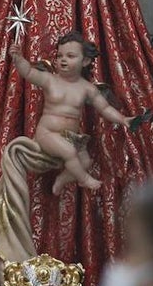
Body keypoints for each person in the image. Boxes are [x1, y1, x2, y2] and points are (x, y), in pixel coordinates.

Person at [9, 31, 131, 194]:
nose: (63, 60)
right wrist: (18, 58)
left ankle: (62, 179)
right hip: (47, 133)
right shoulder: (50, 80)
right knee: (69, 151)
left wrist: (123, 119)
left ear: (85, 61)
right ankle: (84, 179)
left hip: (72, 137)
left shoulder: (87, 88)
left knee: (85, 161)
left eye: (70, 56)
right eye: (60, 56)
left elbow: (105, 108)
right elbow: (29, 73)